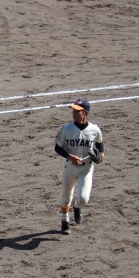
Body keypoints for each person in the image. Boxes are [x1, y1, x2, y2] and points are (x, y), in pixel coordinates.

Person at [54, 98, 105, 234]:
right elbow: (57, 148)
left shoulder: (94, 130)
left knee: (84, 198)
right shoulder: (66, 129)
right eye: (73, 111)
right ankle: (65, 221)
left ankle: (77, 207)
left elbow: (100, 146)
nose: (74, 114)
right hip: (69, 167)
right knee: (65, 198)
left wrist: (100, 156)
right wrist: (70, 156)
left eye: (78, 111)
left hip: (86, 168)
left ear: (85, 113)